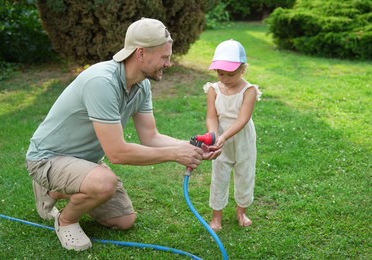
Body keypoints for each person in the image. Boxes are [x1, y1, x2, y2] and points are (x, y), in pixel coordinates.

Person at [25, 17, 220, 251]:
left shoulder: (141, 85)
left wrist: (191, 147)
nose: (169, 63)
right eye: (164, 57)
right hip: (47, 158)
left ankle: (55, 190)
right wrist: (174, 154)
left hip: (83, 162)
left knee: (124, 220)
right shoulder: (102, 82)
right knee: (104, 184)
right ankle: (66, 220)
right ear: (141, 54)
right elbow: (117, 153)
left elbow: (151, 137)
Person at [203, 39, 262, 232]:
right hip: (221, 140)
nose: (225, 78)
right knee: (219, 175)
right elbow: (212, 116)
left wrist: (224, 136)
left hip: (242, 138)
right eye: (220, 73)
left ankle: (241, 211)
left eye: (231, 74)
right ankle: (216, 216)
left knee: (245, 174)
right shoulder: (213, 89)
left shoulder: (249, 90)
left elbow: (242, 119)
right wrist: (214, 135)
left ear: (243, 69)